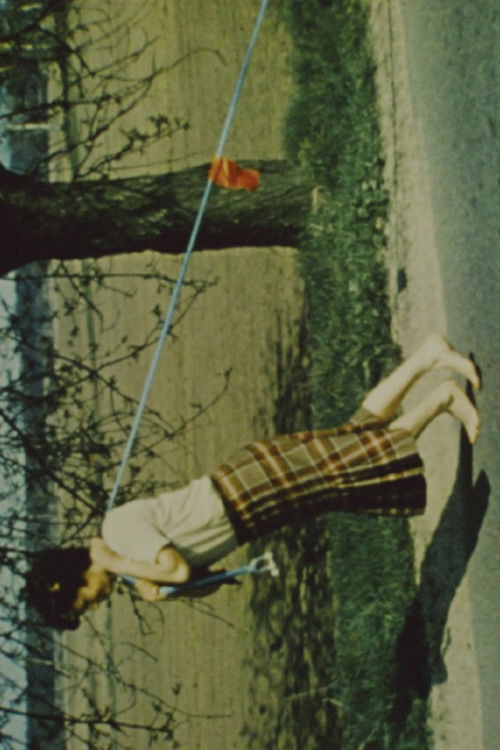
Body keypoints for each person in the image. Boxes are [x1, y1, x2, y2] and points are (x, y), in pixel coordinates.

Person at [26, 333, 480, 630]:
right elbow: (204, 579)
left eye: (84, 601)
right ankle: (428, 356)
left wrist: (131, 567)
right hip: (251, 509)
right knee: (354, 436)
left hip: (245, 489)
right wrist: (165, 593)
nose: (95, 605)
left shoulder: (117, 534)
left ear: (74, 578)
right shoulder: (128, 568)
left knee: (354, 464)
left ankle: (442, 398)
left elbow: (175, 567)